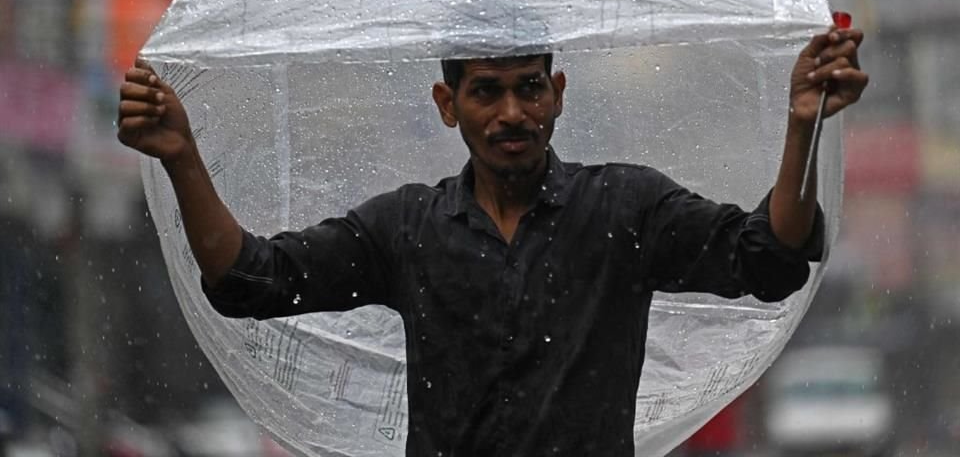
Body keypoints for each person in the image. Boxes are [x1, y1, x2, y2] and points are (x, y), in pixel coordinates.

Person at [117, 24, 868, 456]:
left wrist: (802, 123)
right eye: (487, 90)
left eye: (529, 87)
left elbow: (767, 259)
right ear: (449, 105)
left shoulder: (624, 210)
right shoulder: (406, 231)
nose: (512, 112)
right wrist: (182, 156)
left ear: (558, 94)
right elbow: (251, 280)